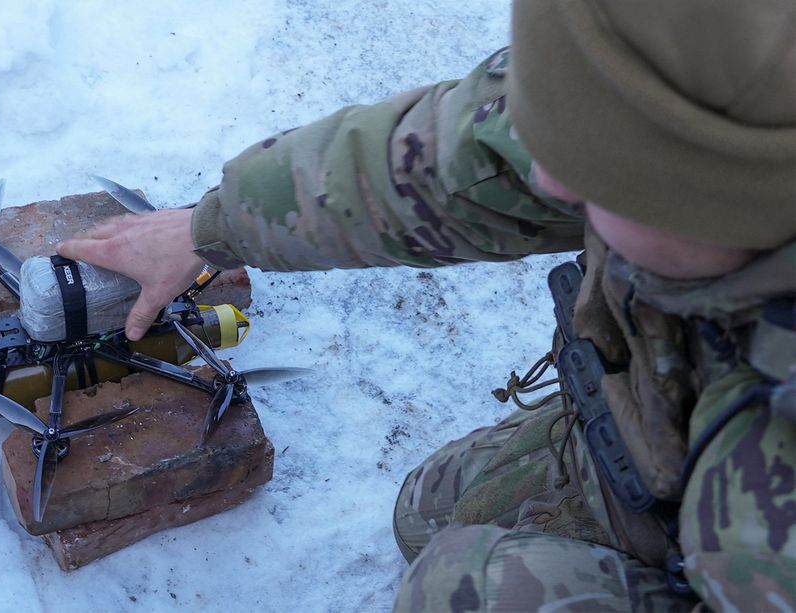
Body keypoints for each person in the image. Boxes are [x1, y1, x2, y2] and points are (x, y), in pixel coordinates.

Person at [59, 1, 795, 609]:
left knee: (455, 591)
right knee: (424, 512)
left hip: (736, 556)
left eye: (593, 173)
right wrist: (209, 228)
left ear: (720, 205)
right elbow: (459, 159)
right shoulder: (703, 72)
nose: (548, 178)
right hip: (655, 423)